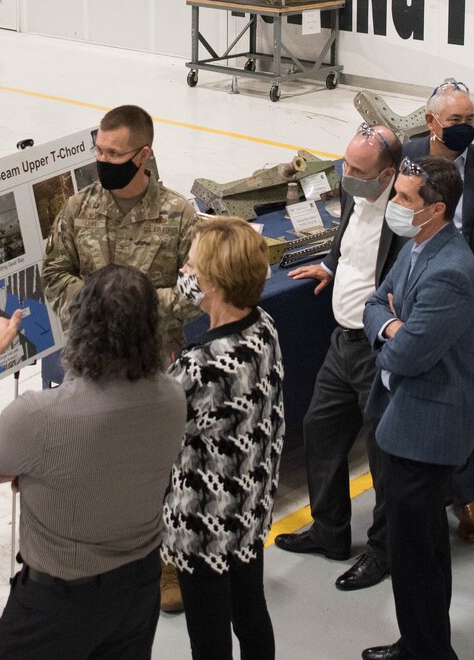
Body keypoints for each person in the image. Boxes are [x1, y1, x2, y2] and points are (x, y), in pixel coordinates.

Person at [0, 266, 186, 660]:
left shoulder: (40, 415)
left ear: (80, 324)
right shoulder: (172, 396)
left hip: (58, 602)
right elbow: (110, 459)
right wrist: (34, 468)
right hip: (137, 588)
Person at [43, 103, 201, 609]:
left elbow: (195, 293)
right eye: (99, 150)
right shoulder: (78, 209)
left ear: (144, 154)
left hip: (156, 368)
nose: (103, 160)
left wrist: (127, 303)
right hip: (90, 369)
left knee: (161, 468)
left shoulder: (179, 215)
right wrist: (101, 305)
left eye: (114, 153)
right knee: (91, 469)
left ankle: (168, 564)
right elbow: (54, 276)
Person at [360, 155, 474, 660]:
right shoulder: (418, 248)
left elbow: (406, 355)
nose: (394, 204)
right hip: (402, 416)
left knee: (415, 556)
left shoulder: (451, 271)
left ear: (435, 209)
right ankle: (421, 641)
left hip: (425, 430)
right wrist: (391, 324)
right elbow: (375, 303)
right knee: (420, 548)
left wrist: (393, 332)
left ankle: (428, 651)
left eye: (405, 199)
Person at [275, 124, 403, 589]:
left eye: (357, 170)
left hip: (378, 349)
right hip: (342, 341)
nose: (345, 176)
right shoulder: (355, 191)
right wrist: (331, 265)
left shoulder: (405, 207)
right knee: (320, 428)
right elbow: (350, 238)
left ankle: (384, 550)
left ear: (387, 173)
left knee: (382, 452)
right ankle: (330, 532)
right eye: (345, 164)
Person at [400, 80, 474, 547]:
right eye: (456, 121)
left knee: (466, 400)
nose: (465, 128)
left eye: (471, 120)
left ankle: (464, 491)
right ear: (432, 123)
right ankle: (443, 490)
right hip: (415, 302)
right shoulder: (408, 160)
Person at [164, 218, 285, 660]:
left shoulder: (202, 365)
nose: (185, 271)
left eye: (192, 265)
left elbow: (156, 430)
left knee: (209, 639)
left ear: (213, 282)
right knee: (251, 612)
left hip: (205, 526)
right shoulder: (264, 326)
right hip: (250, 508)